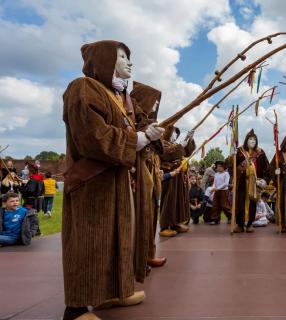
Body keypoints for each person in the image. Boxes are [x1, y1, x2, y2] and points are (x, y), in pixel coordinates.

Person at [61, 40, 165, 319]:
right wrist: (138, 139)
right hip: (92, 185)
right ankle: (76, 308)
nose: (130, 62)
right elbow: (93, 138)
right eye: (122, 56)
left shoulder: (119, 98)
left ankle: (109, 294)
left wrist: (147, 134)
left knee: (117, 240)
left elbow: (125, 135)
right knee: (90, 242)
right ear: (104, 60)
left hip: (116, 183)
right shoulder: (82, 88)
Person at [130, 81, 168, 270]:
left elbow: (162, 149)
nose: (155, 107)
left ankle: (147, 254)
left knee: (149, 219)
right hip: (136, 179)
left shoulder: (148, 124)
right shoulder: (132, 122)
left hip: (150, 180)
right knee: (138, 221)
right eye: (153, 102)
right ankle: (136, 259)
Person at [159, 127, 195, 237]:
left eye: (176, 134)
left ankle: (175, 224)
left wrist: (189, 139)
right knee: (169, 201)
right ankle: (164, 226)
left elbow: (186, 153)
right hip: (169, 178)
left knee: (178, 201)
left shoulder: (175, 146)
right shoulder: (162, 145)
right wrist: (181, 146)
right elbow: (168, 155)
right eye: (173, 133)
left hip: (178, 178)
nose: (175, 136)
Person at [230, 129, 269, 233]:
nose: (252, 141)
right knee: (240, 203)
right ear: (246, 140)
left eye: (254, 139)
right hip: (242, 182)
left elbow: (266, 168)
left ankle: (250, 224)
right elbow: (231, 166)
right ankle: (240, 224)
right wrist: (231, 157)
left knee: (252, 203)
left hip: (255, 183)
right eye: (250, 139)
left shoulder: (260, 153)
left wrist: (264, 180)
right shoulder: (239, 151)